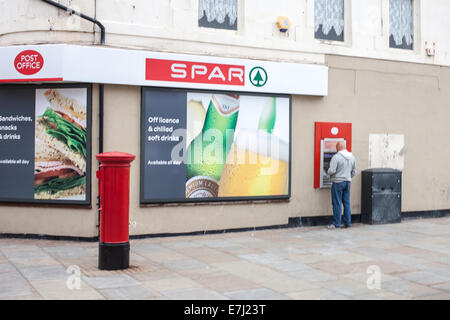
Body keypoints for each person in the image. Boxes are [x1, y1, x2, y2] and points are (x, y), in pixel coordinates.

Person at [327, 141, 356, 229]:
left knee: (337, 203)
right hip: (347, 182)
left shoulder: (336, 157)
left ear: (338, 148)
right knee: (346, 203)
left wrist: (327, 171)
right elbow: (354, 172)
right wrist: (348, 177)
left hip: (338, 182)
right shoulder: (352, 157)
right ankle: (347, 223)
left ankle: (337, 223)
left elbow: (332, 170)